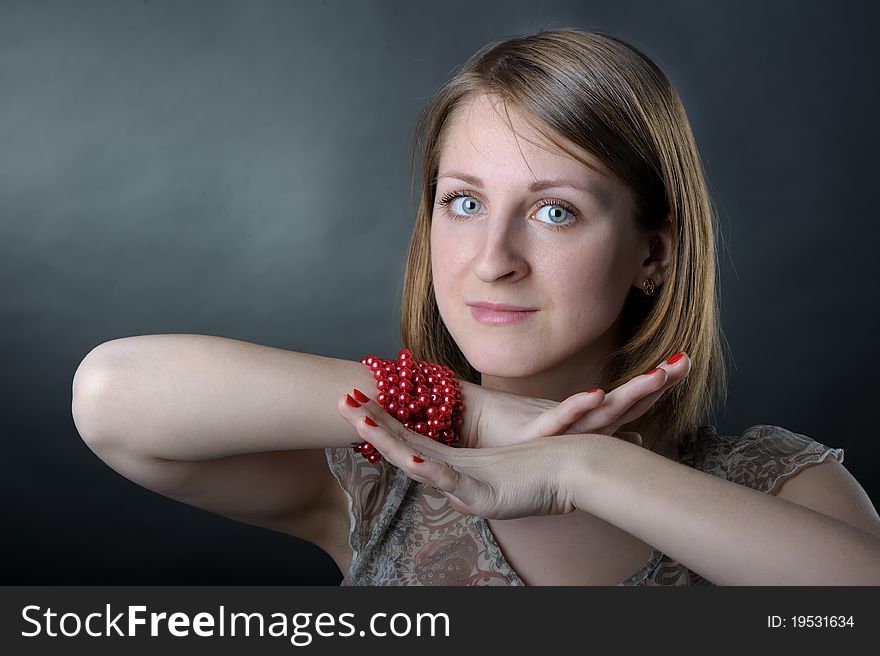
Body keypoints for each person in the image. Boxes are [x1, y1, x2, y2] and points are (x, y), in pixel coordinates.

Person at [72, 28, 880, 586]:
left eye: (554, 211)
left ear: (654, 255)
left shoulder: (777, 487)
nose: (493, 260)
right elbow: (112, 394)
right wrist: (483, 420)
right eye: (463, 203)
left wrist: (580, 465)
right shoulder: (381, 475)